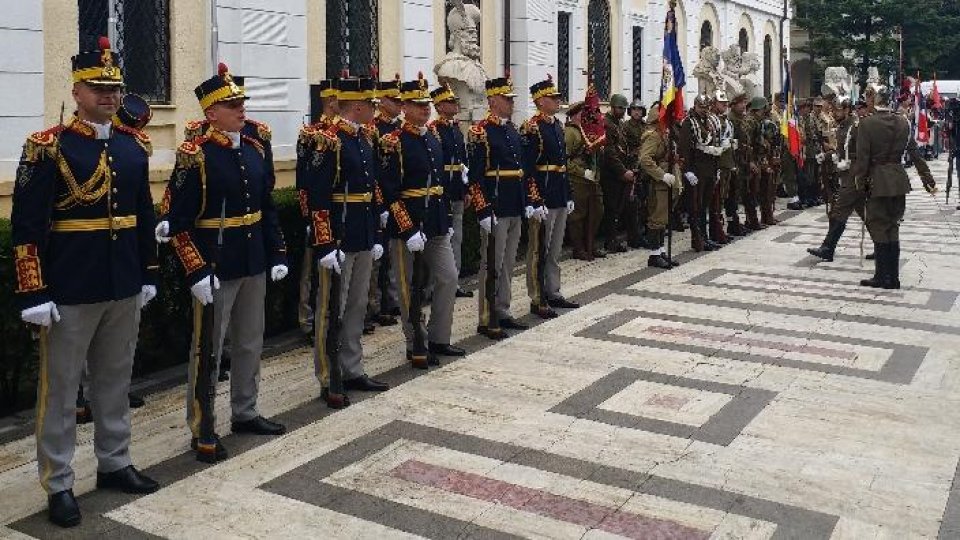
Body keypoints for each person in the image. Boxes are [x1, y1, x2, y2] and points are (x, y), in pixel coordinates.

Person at [11, 36, 160, 527]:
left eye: (115, 88)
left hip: (121, 283)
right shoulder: (48, 146)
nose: (109, 96)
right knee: (61, 390)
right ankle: (58, 482)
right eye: (98, 88)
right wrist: (33, 290)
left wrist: (148, 272)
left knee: (115, 380)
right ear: (76, 90)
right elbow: (27, 226)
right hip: (70, 286)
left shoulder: (132, 145)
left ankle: (115, 461)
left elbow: (140, 213)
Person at [157, 62, 289, 463]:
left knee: (250, 341)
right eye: (231, 105)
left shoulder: (253, 149)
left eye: (241, 103)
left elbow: (265, 206)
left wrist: (278, 252)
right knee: (209, 349)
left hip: (251, 260)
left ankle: (245, 412)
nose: (240, 109)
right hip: (216, 264)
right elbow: (179, 223)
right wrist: (196, 269)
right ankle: (203, 424)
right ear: (210, 113)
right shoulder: (195, 156)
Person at [301, 75, 389, 408]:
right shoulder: (329, 141)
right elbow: (319, 198)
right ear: (357, 106)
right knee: (331, 310)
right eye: (371, 105)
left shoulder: (365, 138)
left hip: (362, 231)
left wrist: (377, 231)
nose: (375, 110)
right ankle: (328, 375)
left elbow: (372, 188)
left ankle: (353, 368)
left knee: (355, 307)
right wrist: (324, 244)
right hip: (339, 235)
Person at [381, 73, 464, 366]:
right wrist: (407, 227)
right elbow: (390, 192)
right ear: (404, 106)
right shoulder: (394, 141)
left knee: (448, 277)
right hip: (409, 225)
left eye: (426, 104)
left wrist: (447, 220)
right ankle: (415, 340)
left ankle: (439, 337)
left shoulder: (433, 136)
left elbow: (438, 181)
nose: (424, 109)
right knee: (408, 288)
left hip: (436, 221)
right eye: (417, 105)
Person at [469, 74, 539, 339]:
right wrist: (483, 209)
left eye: (511, 99)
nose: (510, 103)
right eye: (506, 99)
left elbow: (522, 169)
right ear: (492, 100)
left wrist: (529, 200)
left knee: (508, 262)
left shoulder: (511, 130)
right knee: (492, 264)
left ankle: (503, 309)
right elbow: (475, 177)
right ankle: (487, 316)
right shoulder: (481, 131)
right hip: (495, 205)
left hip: (514, 203)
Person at [851, 84, 936, 289]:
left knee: (879, 226)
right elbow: (915, 153)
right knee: (893, 227)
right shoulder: (903, 122)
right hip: (898, 180)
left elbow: (863, 160)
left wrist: (859, 184)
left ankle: (882, 276)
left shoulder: (866, 124)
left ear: (873, 100)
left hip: (877, 181)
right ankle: (893, 277)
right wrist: (927, 178)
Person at [521, 76, 579, 318]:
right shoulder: (532, 127)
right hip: (543, 195)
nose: (557, 101)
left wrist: (568, 194)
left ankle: (553, 291)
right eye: (553, 98)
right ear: (540, 101)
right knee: (539, 250)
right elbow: (529, 168)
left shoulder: (556, 125)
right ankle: (538, 297)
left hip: (558, 193)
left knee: (554, 249)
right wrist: (534, 200)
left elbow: (562, 163)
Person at [295, 78, 339, 340]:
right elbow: (304, 179)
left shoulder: (350, 133)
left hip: (340, 211)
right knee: (312, 269)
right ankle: (308, 320)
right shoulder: (312, 133)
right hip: (317, 210)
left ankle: (332, 317)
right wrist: (308, 214)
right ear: (330, 101)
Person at [366, 75, 404, 329]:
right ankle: (373, 306)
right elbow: (374, 170)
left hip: (397, 199)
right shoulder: (374, 129)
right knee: (376, 258)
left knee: (391, 255)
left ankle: (391, 301)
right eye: (394, 100)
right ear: (382, 101)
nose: (399, 105)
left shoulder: (399, 128)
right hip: (378, 200)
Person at [807, 98, 864, 262]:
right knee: (865, 213)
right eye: (832, 109)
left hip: (854, 177)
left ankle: (827, 247)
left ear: (847, 110)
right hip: (845, 176)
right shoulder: (842, 127)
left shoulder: (857, 127)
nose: (833, 112)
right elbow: (840, 151)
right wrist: (826, 156)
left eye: (837, 109)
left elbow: (863, 152)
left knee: (838, 211)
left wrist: (852, 164)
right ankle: (881, 244)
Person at [430, 83, 473, 298]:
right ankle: (436, 284)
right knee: (440, 238)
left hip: (456, 188)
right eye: (448, 101)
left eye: (454, 101)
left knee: (456, 237)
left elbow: (463, 160)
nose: (454, 104)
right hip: (443, 190)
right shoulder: (434, 130)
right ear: (438, 106)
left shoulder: (455, 129)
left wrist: (466, 188)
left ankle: (453, 281)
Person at [637, 104, 681, 268]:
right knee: (657, 218)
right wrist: (661, 175)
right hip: (657, 183)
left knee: (664, 218)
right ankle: (654, 254)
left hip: (667, 181)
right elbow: (645, 159)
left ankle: (661, 251)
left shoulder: (665, 134)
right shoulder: (653, 136)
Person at [678, 94, 722, 251]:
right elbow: (684, 148)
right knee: (695, 207)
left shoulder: (709, 121)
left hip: (709, 169)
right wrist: (687, 170)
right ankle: (697, 239)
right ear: (695, 106)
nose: (704, 110)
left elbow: (715, 146)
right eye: (701, 107)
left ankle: (705, 237)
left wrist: (716, 169)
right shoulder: (689, 123)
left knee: (705, 206)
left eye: (706, 107)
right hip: (696, 170)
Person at [564, 101, 606, 260]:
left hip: (592, 179)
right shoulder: (570, 132)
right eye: (584, 114)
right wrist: (582, 172)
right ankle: (578, 248)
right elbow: (564, 160)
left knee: (597, 211)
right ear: (576, 115)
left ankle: (590, 244)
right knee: (578, 216)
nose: (588, 117)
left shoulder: (589, 131)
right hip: (577, 180)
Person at [599, 93, 638, 252]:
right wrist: (622, 172)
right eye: (620, 108)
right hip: (611, 173)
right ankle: (610, 240)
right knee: (612, 208)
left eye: (624, 108)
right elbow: (610, 152)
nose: (623, 111)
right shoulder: (607, 124)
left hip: (621, 170)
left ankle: (614, 238)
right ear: (613, 107)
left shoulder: (619, 124)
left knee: (618, 208)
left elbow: (623, 148)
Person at [710, 91, 733, 244]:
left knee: (722, 198)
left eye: (726, 104)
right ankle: (715, 232)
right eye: (721, 103)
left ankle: (720, 230)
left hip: (726, 163)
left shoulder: (725, 120)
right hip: (717, 163)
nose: (724, 106)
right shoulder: (711, 120)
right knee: (715, 200)